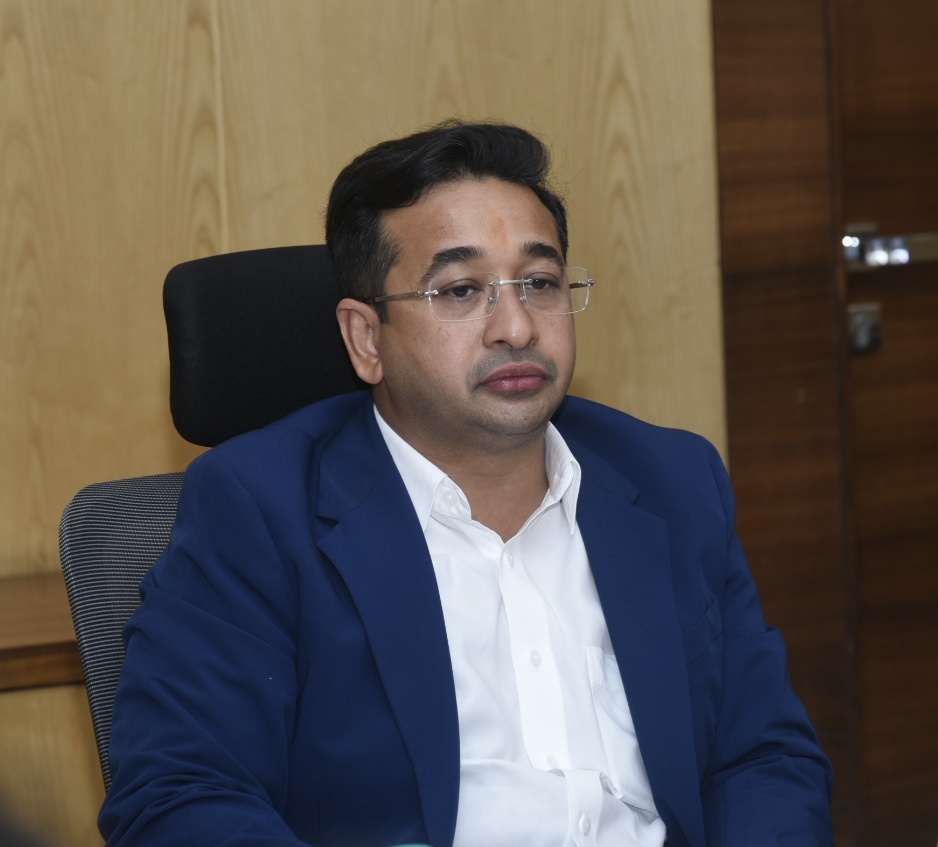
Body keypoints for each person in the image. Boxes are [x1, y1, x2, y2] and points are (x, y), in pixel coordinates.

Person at [100, 121, 833, 847]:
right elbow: (180, 795)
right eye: (459, 290)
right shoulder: (258, 509)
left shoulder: (672, 481)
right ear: (366, 338)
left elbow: (763, 758)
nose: (516, 326)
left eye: (539, 283)